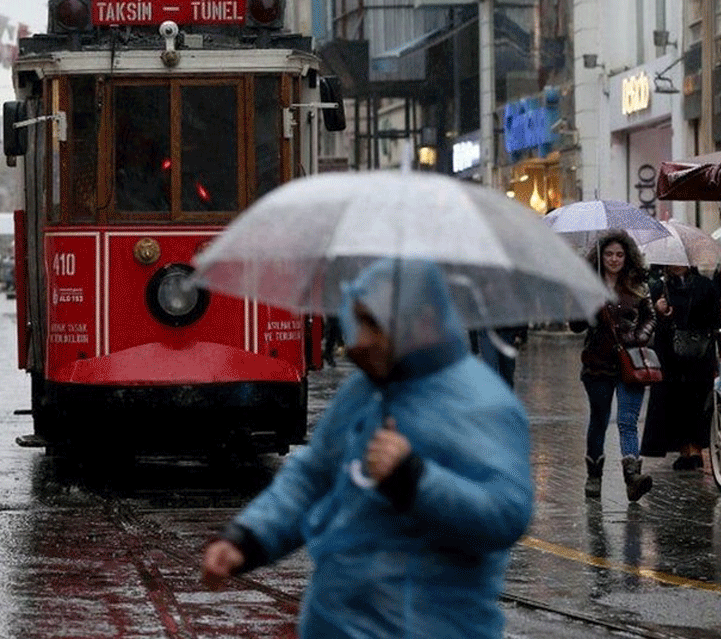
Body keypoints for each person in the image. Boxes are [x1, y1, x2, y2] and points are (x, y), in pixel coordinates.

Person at [201, 259, 533, 639]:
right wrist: (248, 538)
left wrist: (415, 480)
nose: (358, 340)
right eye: (356, 320)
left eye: (373, 323)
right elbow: (313, 476)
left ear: (422, 322)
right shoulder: (363, 392)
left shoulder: (482, 403)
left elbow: (506, 512)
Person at [571, 231, 656, 501]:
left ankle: (632, 477)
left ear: (627, 256)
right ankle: (594, 475)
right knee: (599, 419)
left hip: (631, 363)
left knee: (628, 421)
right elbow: (575, 326)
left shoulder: (638, 285)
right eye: (609, 254)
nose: (614, 259)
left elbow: (650, 317)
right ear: (600, 256)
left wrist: (641, 336)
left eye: (619, 254)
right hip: (597, 364)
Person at [641, 264, 720, 469]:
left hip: (699, 354)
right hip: (671, 357)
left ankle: (696, 449)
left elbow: (714, 318)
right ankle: (685, 451)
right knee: (676, 401)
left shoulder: (705, 285)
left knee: (698, 400)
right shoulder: (659, 287)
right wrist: (660, 312)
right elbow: (649, 322)